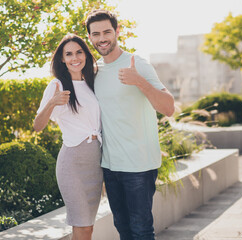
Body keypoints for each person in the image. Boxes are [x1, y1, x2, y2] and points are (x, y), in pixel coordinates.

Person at [85, 10, 175, 240]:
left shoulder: (137, 64)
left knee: (141, 230)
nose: (102, 38)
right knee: (123, 229)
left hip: (139, 165)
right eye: (96, 34)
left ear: (117, 32)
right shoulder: (96, 72)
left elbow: (168, 108)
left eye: (107, 31)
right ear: (90, 38)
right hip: (110, 165)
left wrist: (139, 82)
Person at [33, 34, 102, 240]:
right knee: (81, 225)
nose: (75, 58)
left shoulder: (92, 82)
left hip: (95, 163)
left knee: (87, 228)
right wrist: (52, 102)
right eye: (69, 54)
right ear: (62, 59)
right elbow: (38, 126)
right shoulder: (57, 85)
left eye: (79, 52)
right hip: (72, 163)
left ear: (86, 55)